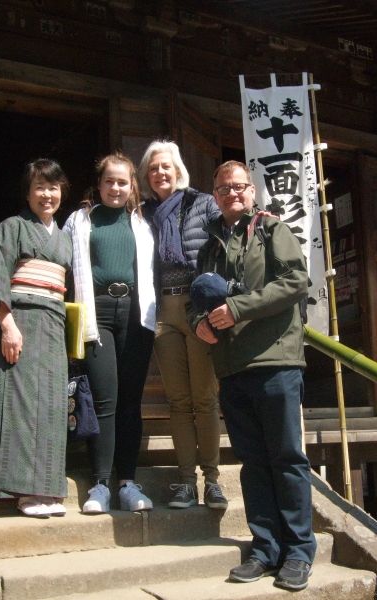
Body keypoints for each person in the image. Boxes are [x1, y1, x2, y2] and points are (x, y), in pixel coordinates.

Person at [190, 160, 317, 591]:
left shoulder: (270, 229)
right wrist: (199, 325)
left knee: (286, 459)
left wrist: (238, 308)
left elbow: (297, 280)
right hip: (231, 365)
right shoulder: (209, 243)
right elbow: (197, 300)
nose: (232, 194)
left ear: (252, 191)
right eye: (224, 188)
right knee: (253, 462)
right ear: (215, 193)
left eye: (239, 186)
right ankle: (265, 549)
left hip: (275, 360)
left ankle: (299, 551)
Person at [0, 158, 72, 518]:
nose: (47, 194)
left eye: (54, 187)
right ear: (27, 193)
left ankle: (49, 490)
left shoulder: (64, 239)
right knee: (21, 402)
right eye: (40, 187)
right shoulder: (11, 229)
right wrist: (7, 325)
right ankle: (22, 491)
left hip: (54, 324)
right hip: (21, 320)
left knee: (52, 406)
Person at [137, 140, 228, 510]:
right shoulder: (142, 213)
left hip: (196, 307)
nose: (160, 172)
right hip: (162, 310)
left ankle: (212, 480)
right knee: (177, 401)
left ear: (178, 170)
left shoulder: (202, 203)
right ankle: (186, 481)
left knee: (204, 399)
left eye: (165, 166)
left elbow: (226, 243)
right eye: (153, 168)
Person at [64, 152, 157, 514]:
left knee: (131, 401)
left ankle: (128, 483)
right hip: (96, 311)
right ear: (99, 184)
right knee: (104, 398)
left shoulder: (142, 221)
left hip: (135, 313)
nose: (116, 188)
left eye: (123, 182)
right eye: (109, 181)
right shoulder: (81, 220)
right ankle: (100, 484)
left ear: (131, 185)